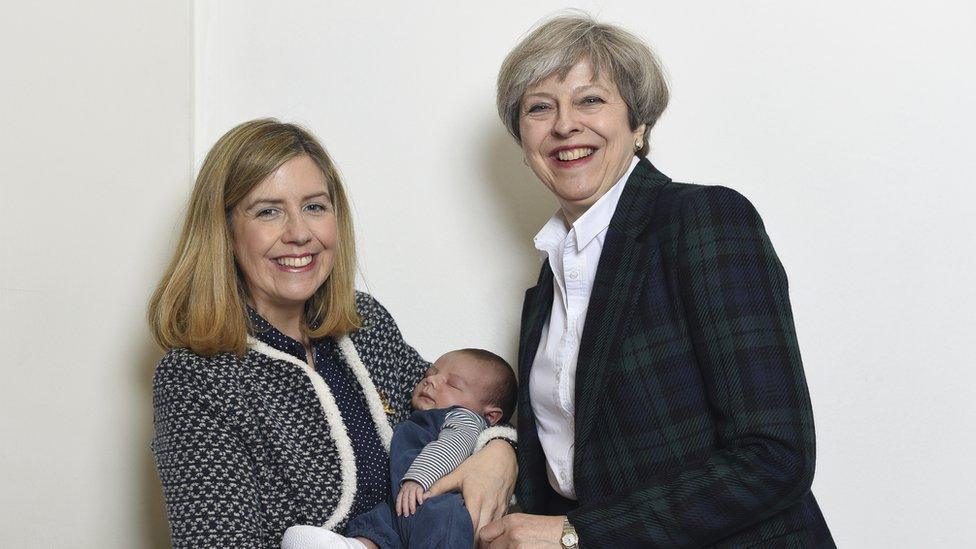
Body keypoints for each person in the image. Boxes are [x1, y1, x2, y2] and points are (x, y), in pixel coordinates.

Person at [479, 13, 835, 548]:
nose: (564, 124)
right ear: (523, 137)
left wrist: (576, 536)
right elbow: (573, 458)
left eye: (591, 100)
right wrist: (500, 450)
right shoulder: (550, 281)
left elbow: (774, 456)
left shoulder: (701, 219)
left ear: (638, 124)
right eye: (539, 107)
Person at [147, 119, 516, 549]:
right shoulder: (195, 378)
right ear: (226, 231)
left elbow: (467, 407)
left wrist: (498, 454)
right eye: (268, 211)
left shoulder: (366, 323)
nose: (299, 233)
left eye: (315, 207)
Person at [281, 348, 518, 549]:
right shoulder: (422, 416)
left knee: (440, 532)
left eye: (453, 384)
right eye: (430, 373)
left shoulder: (465, 417)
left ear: (490, 415)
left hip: (437, 499)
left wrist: (419, 478)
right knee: (377, 525)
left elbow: (453, 445)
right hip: (403, 502)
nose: (431, 380)